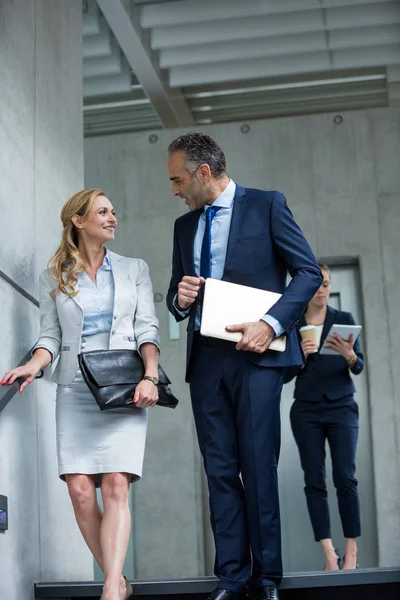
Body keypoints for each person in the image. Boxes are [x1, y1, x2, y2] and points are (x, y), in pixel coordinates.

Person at [166, 132, 322, 600]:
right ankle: (231, 578)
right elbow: (177, 291)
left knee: (258, 467)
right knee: (219, 471)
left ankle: (266, 578)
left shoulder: (267, 205)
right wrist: (179, 297)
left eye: (177, 180)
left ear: (204, 173)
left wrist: (272, 324)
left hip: (257, 357)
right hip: (206, 361)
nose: (174, 190)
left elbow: (308, 272)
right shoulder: (183, 227)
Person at [1, 189, 160, 600]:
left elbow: (147, 328)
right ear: (78, 220)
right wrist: (34, 366)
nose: (113, 218)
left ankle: (110, 586)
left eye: (113, 212)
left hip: (124, 386)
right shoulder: (54, 274)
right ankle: (117, 579)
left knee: (116, 486)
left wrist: (151, 377)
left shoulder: (134, 269)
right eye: (103, 212)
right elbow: (49, 336)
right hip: (74, 386)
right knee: (80, 491)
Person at [283, 264, 363, 572]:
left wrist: (349, 355)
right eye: (316, 283)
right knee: (314, 480)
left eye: (326, 284)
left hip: (342, 406)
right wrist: (299, 356)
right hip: (306, 410)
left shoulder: (344, 321)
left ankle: (352, 552)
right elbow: (285, 376)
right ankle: (329, 554)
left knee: (346, 476)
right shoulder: (293, 324)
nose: (321, 289)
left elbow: (359, 366)